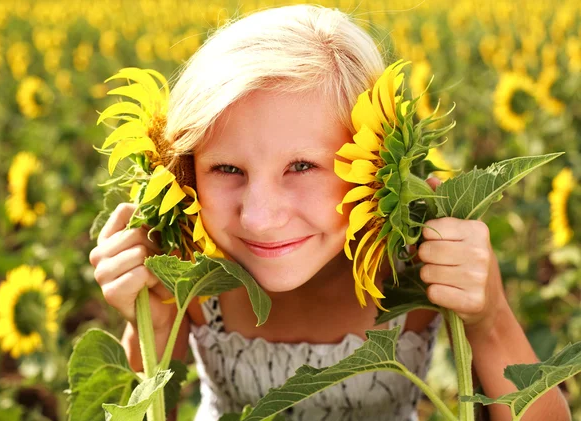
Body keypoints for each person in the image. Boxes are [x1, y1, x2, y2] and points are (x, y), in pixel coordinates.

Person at [88, 5, 571, 421]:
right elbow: (150, 406)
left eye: (302, 166)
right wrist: (148, 323)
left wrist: (489, 317)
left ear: (377, 165)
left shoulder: (416, 266)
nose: (259, 215)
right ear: (187, 171)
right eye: (227, 168)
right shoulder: (192, 265)